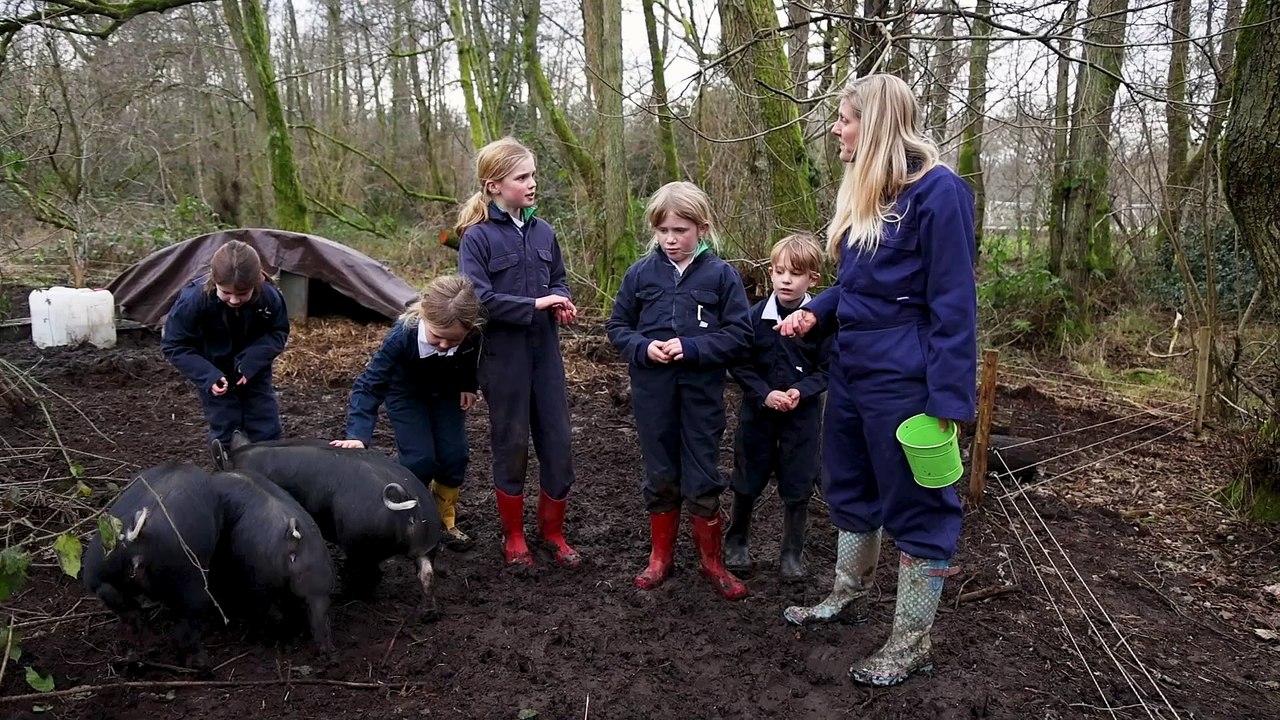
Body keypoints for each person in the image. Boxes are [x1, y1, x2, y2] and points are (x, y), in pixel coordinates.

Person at [776, 74, 978, 687]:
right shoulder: (867, 193)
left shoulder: (939, 192)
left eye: (846, 118)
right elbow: (864, 288)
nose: (837, 128)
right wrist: (822, 308)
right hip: (854, 369)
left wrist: (947, 403)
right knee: (850, 485)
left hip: (906, 380)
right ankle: (849, 592)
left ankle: (912, 639)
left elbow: (953, 303)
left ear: (879, 124)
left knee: (920, 504)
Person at [605, 181, 753, 600]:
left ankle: (712, 562)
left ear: (702, 229)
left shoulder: (722, 276)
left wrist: (691, 347)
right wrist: (642, 347)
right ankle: (660, 559)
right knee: (661, 473)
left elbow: (740, 335)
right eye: (663, 231)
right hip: (653, 394)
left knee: (703, 474)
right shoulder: (640, 274)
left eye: (680, 231)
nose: (670, 240)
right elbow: (617, 327)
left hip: (702, 395)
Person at [456, 136, 580, 567]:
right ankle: (514, 536)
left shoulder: (544, 231)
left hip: (545, 354)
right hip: (501, 358)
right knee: (511, 445)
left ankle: (553, 532)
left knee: (558, 443)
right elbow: (478, 300)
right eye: (521, 177)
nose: (531, 184)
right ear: (494, 186)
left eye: (533, 175)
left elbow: (559, 278)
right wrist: (533, 305)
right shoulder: (477, 238)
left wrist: (561, 300)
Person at [330, 275, 484, 550]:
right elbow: (368, 385)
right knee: (420, 460)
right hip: (406, 395)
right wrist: (358, 434)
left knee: (454, 456)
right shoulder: (401, 337)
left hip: (446, 394)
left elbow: (469, 357)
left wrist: (468, 385)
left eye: (453, 341)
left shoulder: (472, 336)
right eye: (438, 338)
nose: (445, 346)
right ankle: (406, 520)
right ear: (424, 315)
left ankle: (444, 521)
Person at [725, 234, 832, 580]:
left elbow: (828, 369)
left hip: (802, 416)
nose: (786, 280)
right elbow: (739, 364)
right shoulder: (754, 317)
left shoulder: (824, 322)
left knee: (798, 481)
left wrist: (801, 391)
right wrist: (764, 393)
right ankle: (737, 541)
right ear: (770, 273)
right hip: (758, 413)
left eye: (795, 274)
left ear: (812, 279)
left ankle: (791, 554)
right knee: (747, 475)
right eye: (780, 272)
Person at [162, 240, 289, 445]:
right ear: (214, 281)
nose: (234, 300)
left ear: (257, 281)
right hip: (213, 371)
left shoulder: (269, 297)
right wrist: (207, 375)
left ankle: (268, 468)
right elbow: (174, 345)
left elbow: (278, 332)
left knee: (265, 425)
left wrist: (252, 362)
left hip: (253, 371)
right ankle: (228, 472)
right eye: (226, 293)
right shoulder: (194, 300)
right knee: (226, 428)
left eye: (242, 294)